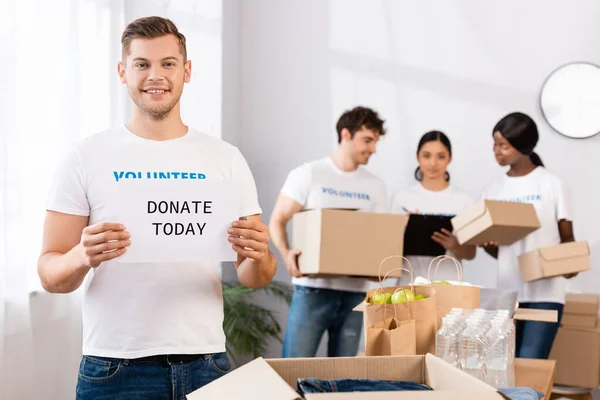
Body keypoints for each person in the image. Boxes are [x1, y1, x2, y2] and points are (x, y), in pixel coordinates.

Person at [37, 16, 276, 399]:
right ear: (122, 71)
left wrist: (259, 254)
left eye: (168, 63)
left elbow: (254, 275)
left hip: (206, 364)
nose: (156, 75)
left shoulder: (225, 159)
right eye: (142, 64)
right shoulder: (85, 157)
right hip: (114, 368)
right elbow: (50, 274)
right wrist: (82, 255)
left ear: (187, 70)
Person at [269, 106, 388, 358]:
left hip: (355, 293)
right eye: (367, 140)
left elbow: (376, 238)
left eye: (375, 141)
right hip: (313, 288)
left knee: (342, 377)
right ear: (346, 134)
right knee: (293, 368)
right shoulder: (310, 174)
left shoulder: (375, 186)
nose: (372, 148)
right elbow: (278, 219)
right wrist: (286, 253)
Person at [481, 112, 576, 359]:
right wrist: (487, 244)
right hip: (507, 294)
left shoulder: (553, 184)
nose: (497, 151)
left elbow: (568, 240)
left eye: (504, 146)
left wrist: (570, 265)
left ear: (523, 146)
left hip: (545, 293)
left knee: (530, 364)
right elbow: (498, 251)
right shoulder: (492, 189)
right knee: (504, 368)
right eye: (495, 145)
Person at [390, 130, 476, 282]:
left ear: (450, 158)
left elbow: (471, 253)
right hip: (408, 286)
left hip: (449, 286)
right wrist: (401, 233)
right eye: (426, 155)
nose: (433, 163)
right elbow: (388, 254)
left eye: (441, 156)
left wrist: (454, 245)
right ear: (418, 157)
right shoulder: (402, 198)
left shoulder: (464, 201)